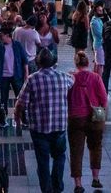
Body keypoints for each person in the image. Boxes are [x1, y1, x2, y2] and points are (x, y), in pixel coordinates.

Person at [15, 49, 73, 193]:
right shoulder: (63, 77)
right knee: (59, 157)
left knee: (42, 161)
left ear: (38, 62)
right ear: (53, 62)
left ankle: (46, 189)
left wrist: (18, 119)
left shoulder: (32, 79)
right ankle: (57, 186)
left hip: (40, 129)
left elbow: (21, 103)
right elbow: (73, 81)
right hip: (60, 127)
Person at [67, 50, 108, 193]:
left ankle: (78, 184)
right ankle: (96, 179)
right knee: (96, 147)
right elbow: (104, 99)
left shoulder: (71, 78)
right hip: (94, 118)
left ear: (76, 63)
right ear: (88, 62)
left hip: (76, 118)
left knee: (76, 151)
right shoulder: (96, 78)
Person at [0, 28, 28, 121]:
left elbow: (25, 61)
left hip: (16, 75)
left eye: (2, 36)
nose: (0, 37)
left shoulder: (17, 45)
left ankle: (23, 118)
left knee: (20, 97)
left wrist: (26, 75)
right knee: (3, 98)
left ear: (8, 35)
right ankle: (3, 118)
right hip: (3, 77)